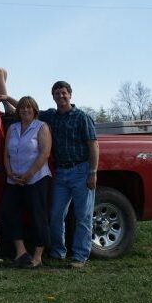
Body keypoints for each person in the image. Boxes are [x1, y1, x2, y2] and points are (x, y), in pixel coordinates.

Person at [39, 81, 99, 268]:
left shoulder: (82, 117)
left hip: (81, 170)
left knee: (83, 216)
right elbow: (28, 108)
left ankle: (80, 256)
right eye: (57, 93)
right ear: (53, 96)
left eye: (63, 93)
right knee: (56, 214)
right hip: (61, 172)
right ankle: (58, 252)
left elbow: (93, 145)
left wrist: (92, 172)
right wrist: (7, 99)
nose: (60, 96)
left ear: (70, 95)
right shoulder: (51, 116)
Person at [0, 96, 51, 269]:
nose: (25, 110)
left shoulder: (41, 127)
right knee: (10, 212)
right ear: (18, 111)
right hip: (14, 179)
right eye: (22, 108)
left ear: (35, 110)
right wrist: (9, 171)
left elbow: (44, 153)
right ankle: (21, 252)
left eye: (29, 108)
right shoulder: (12, 128)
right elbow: (6, 153)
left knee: (38, 215)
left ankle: (37, 256)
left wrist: (29, 174)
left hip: (36, 178)